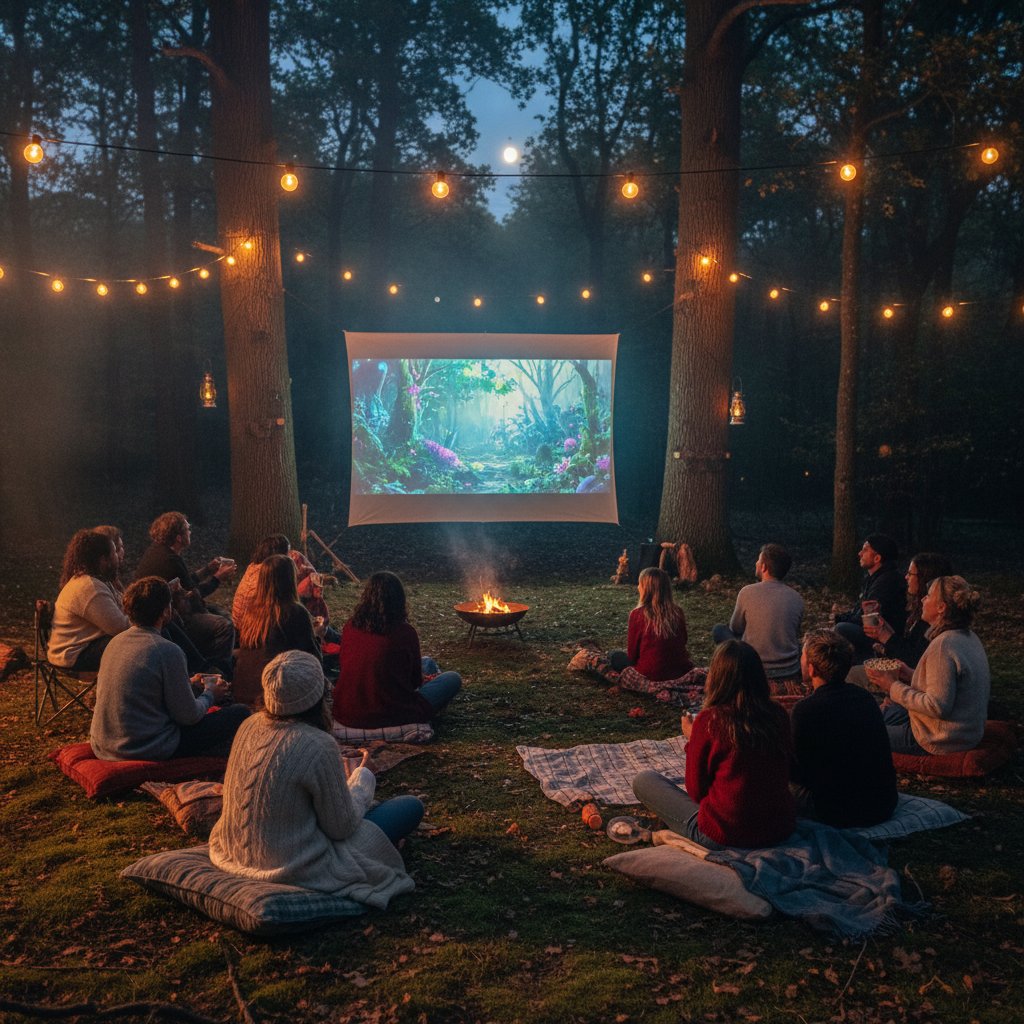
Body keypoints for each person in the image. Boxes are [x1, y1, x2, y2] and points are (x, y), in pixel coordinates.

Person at [209, 651, 420, 907]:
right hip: (295, 864)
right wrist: (363, 781)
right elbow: (341, 828)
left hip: (233, 852)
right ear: (317, 695)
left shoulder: (248, 726)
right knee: (410, 807)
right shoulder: (317, 744)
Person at [632, 640, 796, 850]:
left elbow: (696, 792)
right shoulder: (778, 715)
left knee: (644, 780)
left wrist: (693, 741)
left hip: (723, 834)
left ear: (717, 677)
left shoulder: (710, 721)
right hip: (779, 830)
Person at [89, 577, 249, 761]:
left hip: (104, 744)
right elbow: (189, 716)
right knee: (240, 713)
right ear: (166, 611)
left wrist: (189, 684)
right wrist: (211, 694)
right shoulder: (166, 650)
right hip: (144, 747)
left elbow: (146, 691)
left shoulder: (115, 642)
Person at [866, 576, 990, 756]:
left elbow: (937, 706)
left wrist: (892, 686)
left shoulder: (943, 645)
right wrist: (912, 674)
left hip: (940, 738)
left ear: (941, 608)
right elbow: (947, 685)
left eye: (929, 595)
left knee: (860, 730)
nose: (923, 599)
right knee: (875, 715)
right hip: (966, 732)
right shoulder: (967, 637)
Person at [791, 630, 898, 827]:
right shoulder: (865, 699)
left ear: (812, 669)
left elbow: (799, 771)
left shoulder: (806, 710)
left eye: (803, 657)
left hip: (836, 810)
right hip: (882, 804)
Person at [333, 571, 461, 729]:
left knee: (427, 662)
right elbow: (415, 682)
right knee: (452, 678)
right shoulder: (405, 632)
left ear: (366, 597)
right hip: (392, 714)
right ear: (399, 600)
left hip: (346, 712)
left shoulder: (350, 626)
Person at [134, 511, 236, 675]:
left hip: (169, 613)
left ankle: (214, 661)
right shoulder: (169, 560)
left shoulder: (160, 551)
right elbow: (195, 594)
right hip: (169, 621)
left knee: (222, 613)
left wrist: (208, 570)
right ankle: (217, 674)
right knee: (225, 626)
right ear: (179, 538)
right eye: (187, 529)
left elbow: (187, 582)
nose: (190, 532)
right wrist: (218, 578)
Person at [233, 555, 324, 708]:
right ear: (290, 580)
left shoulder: (251, 610)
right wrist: (317, 635)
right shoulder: (294, 612)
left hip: (242, 692)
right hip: (273, 696)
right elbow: (313, 660)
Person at [711, 543, 804, 690]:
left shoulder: (747, 592)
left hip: (753, 667)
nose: (756, 563)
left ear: (764, 567)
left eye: (758, 560)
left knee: (719, 630)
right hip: (789, 670)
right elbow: (794, 633)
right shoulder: (797, 597)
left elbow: (735, 628)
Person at [48, 529, 128, 671]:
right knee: (133, 641)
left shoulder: (99, 581)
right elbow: (121, 628)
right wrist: (151, 619)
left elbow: (123, 607)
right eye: (114, 552)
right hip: (73, 656)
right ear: (103, 560)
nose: (118, 557)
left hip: (84, 647)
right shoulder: (90, 588)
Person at [863, 552, 953, 669]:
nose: (906, 577)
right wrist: (880, 622)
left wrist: (885, 636)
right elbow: (905, 642)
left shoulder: (934, 619)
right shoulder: (915, 607)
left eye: (910, 574)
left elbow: (915, 660)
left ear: (924, 578)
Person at [607, 567, 694, 681]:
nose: (638, 587)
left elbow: (632, 655)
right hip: (679, 672)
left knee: (614, 655)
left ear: (646, 589)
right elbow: (683, 640)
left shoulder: (637, 614)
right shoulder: (677, 611)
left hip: (649, 674)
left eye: (639, 584)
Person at [833, 534, 907, 663]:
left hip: (882, 637)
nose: (860, 553)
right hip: (874, 632)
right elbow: (859, 610)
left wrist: (839, 620)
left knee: (841, 628)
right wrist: (841, 617)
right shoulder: (875, 578)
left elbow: (866, 618)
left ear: (877, 558)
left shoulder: (887, 581)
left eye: (865, 550)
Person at [232, 534, 291, 628]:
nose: (289, 556)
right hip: (251, 629)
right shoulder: (271, 571)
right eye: (287, 553)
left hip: (237, 624)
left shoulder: (252, 566)